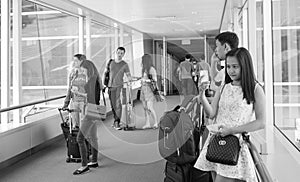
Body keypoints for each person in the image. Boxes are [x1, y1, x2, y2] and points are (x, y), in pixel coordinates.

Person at [194, 47, 266, 182]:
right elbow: (212, 113)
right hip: (217, 141)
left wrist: (232, 130)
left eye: (235, 67)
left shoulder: (255, 89)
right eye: (228, 66)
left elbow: (261, 122)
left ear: (245, 66)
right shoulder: (223, 87)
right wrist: (202, 96)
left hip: (235, 144)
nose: (230, 71)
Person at [63, 54, 103, 175]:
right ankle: (94, 160)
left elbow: (93, 96)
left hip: (88, 108)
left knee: (81, 137)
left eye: (80, 65)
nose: (79, 67)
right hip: (87, 108)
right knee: (91, 135)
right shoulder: (78, 75)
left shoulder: (91, 79)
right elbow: (71, 89)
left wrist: (81, 93)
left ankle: (84, 165)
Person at [108, 47, 132, 130]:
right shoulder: (110, 63)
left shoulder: (124, 64)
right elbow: (106, 73)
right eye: (119, 53)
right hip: (110, 86)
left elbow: (128, 75)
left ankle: (117, 121)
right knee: (113, 105)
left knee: (118, 104)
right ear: (116, 52)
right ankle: (115, 120)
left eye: (122, 53)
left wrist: (130, 80)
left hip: (119, 86)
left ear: (124, 54)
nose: (120, 55)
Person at [140, 54, 159, 129]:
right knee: (145, 107)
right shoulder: (144, 69)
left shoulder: (151, 69)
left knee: (150, 107)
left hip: (150, 90)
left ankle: (155, 123)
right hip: (143, 89)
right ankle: (147, 123)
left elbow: (154, 80)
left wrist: (145, 80)